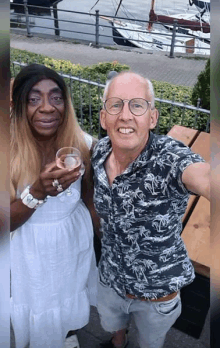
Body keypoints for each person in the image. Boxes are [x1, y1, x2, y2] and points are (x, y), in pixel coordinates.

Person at [91, 71, 210, 348]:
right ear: (103, 117)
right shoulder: (98, 153)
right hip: (110, 278)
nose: (125, 115)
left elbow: (204, 177)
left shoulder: (170, 159)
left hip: (155, 295)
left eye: (137, 105)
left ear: (152, 118)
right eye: (116, 104)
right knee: (112, 328)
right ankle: (118, 342)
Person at [10, 64, 99, 348]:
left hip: (73, 243)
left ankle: (65, 335)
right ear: (19, 105)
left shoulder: (83, 145)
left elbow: (89, 199)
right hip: (29, 250)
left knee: (67, 295)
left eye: (56, 97)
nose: (48, 107)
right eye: (34, 99)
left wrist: (104, 240)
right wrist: (37, 191)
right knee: (39, 302)